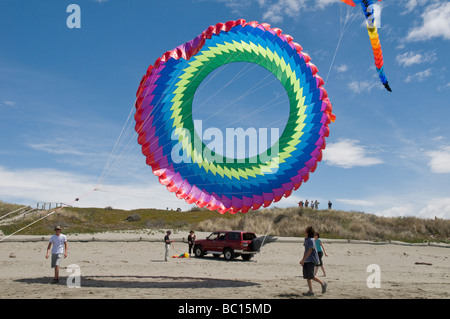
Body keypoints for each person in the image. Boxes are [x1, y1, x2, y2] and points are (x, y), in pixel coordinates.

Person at [299, 226, 327, 296]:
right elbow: (305, 251)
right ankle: (310, 292)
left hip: (311, 260)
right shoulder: (306, 239)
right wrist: (303, 260)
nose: (304, 230)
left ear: (308, 232)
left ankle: (323, 283)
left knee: (311, 276)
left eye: (306, 229)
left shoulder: (311, 240)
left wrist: (304, 259)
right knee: (307, 276)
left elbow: (310, 250)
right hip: (307, 260)